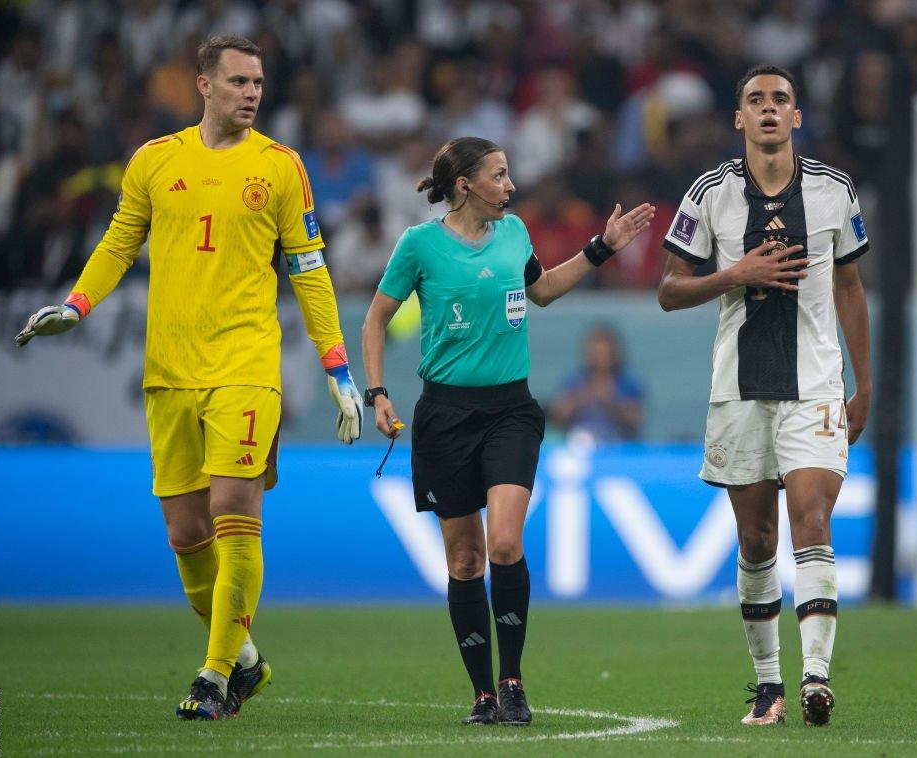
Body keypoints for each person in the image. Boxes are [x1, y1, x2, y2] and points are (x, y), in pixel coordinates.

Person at [14, 35, 362, 721]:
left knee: (235, 511)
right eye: (237, 81)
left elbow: (309, 271)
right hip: (169, 369)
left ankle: (211, 675)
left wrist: (337, 368)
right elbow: (119, 242)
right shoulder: (153, 161)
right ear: (203, 85)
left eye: (258, 81)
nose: (251, 92)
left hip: (246, 365)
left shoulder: (282, 167)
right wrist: (76, 304)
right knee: (185, 534)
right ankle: (247, 660)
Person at [362, 137, 654, 725]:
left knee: (503, 544)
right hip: (444, 417)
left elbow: (541, 290)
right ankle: (482, 695)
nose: (511, 185)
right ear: (465, 184)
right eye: (500, 175)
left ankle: (513, 680)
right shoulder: (419, 246)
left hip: (510, 412)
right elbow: (375, 320)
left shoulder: (515, 232)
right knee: (465, 559)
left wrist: (600, 249)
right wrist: (376, 393)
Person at [657, 64, 871, 728]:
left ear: (797, 116)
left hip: (816, 386)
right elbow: (669, 289)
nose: (771, 108)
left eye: (782, 99)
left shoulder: (834, 191)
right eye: (757, 100)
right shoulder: (710, 193)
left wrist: (864, 384)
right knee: (755, 541)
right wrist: (736, 274)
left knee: (811, 520)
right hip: (740, 390)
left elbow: (849, 289)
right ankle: (768, 687)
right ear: (739, 119)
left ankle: (814, 680)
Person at [547, 324, 645, 442]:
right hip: (579, 444)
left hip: (618, 446)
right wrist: (582, 397)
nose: (598, 358)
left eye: (602, 353)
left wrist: (610, 401)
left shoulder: (628, 383)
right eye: (595, 352)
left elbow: (636, 417)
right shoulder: (574, 381)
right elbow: (558, 416)